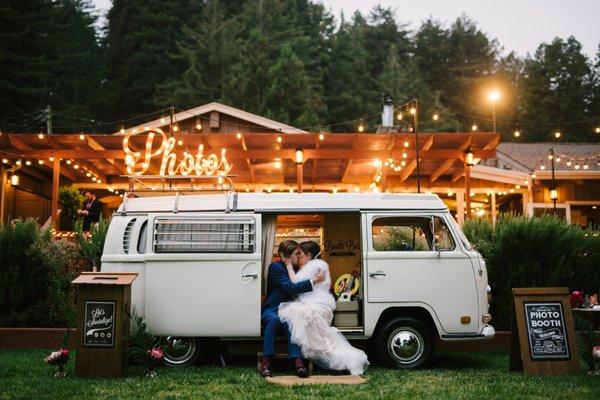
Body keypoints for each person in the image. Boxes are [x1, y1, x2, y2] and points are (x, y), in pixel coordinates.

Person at [278, 241, 370, 375]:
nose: (298, 256)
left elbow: (294, 283)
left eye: (300, 253)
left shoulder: (314, 266)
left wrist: (288, 265)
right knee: (321, 336)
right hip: (322, 305)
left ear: (308, 255)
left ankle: (337, 358)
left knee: (310, 328)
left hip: (316, 306)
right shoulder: (319, 265)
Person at [260, 240, 326, 378]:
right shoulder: (275, 267)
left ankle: (298, 364)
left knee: (293, 321)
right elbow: (290, 288)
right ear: (287, 256)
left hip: (290, 308)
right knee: (273, 320)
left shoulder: (297, 268)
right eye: (297, 254)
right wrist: (314, 281)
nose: (299, 256)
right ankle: (265, 363)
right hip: (272, 308)